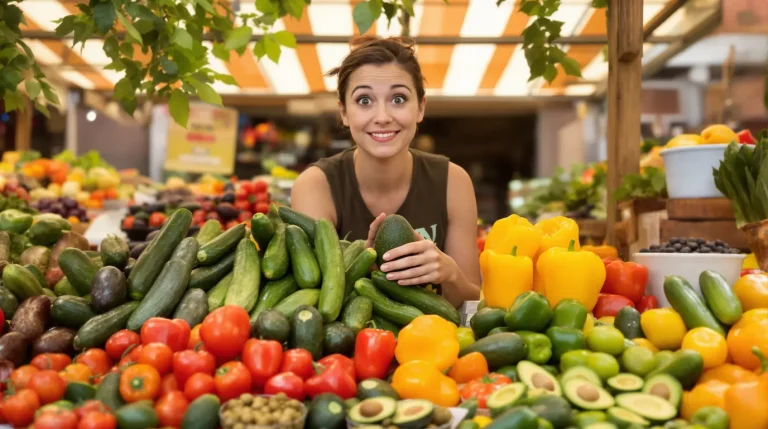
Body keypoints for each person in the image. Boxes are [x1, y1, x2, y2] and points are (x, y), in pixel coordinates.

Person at [290, 36, 480, 308]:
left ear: (421, 108)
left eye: (398, 99)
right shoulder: (316, 185)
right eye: (364, 100)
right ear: (344, 111)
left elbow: (472, 301)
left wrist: (448, 273)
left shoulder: (453, 181)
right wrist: (362, 266)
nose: (382, 116)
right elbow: (309, 300)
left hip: (435, 343)